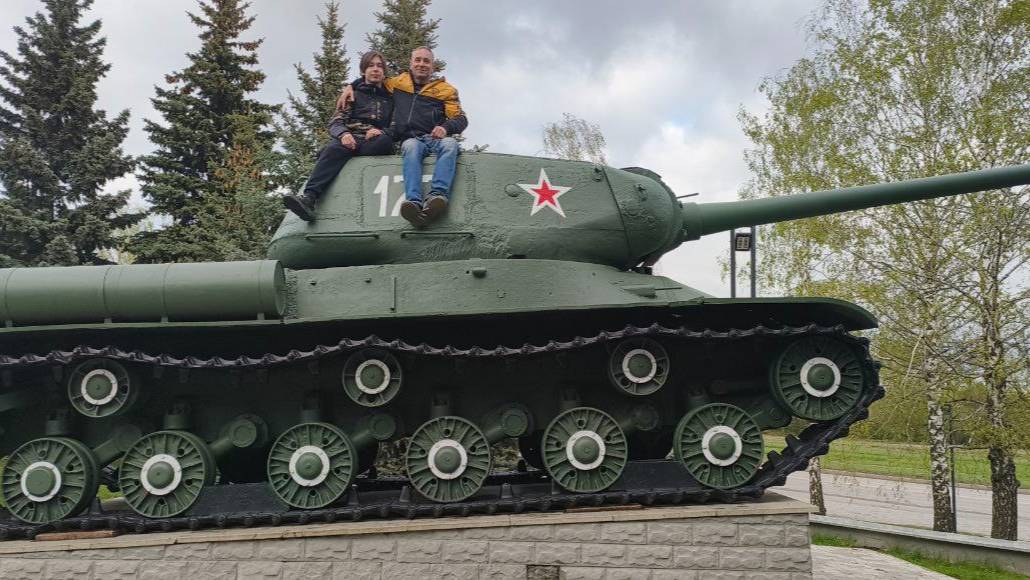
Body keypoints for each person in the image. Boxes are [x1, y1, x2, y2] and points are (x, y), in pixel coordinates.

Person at [338, 46, 468, 226]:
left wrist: (445, 127)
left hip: (434, 138)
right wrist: (351, 86)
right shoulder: (397, 83)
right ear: (411, 63)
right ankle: (413, 202)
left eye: (426, 61)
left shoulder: (446, 90)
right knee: (410, 148)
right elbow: (372, 78)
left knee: (450, 145)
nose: (421, 64)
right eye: (417, 60)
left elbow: (461, 119)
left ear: (433, 66)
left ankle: (437, 196)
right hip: (411, 139)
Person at [285, 51, 395, 222]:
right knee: (333, 148)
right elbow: (336, 122)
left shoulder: (391, 98)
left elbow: (398, 125)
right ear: (363, 70)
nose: (375, 69)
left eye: (379, 66)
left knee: (385, 142)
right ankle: (309, 198)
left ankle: (340, 155)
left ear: (384, 71)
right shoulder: (352, 95)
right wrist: (343, 134)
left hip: (374, 141)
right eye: (370, 66)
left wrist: (383, 132)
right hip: (350, 139)